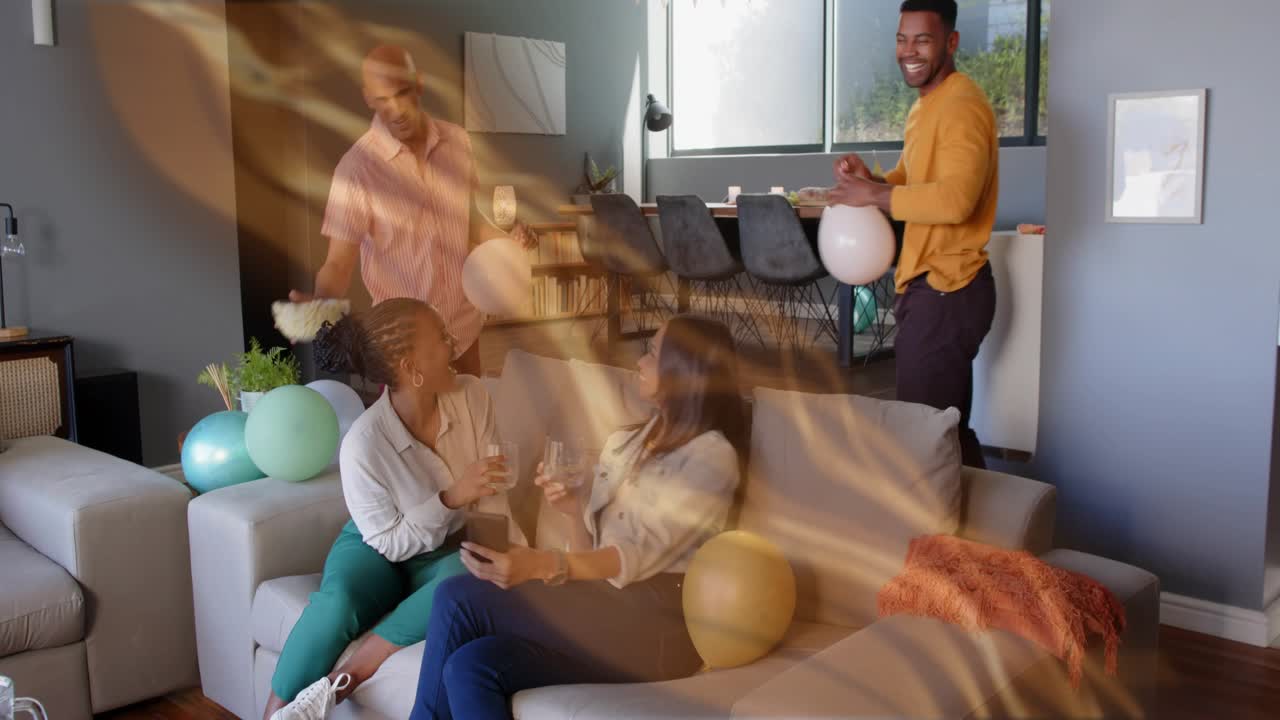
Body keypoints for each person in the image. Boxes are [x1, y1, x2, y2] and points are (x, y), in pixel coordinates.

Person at [408, 315, 748, 720]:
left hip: (656, 628)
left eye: (653, 353)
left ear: (684, 371)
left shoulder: (711, 457)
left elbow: (631, 557)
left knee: (458, 597)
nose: (640, 361)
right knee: (471, 666)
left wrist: (540, 564)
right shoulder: (628, 441)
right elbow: (596, 561)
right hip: (604, 608)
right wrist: (573, 511)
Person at [264, 298, 524, 720]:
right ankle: (275, 714)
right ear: (410, 366)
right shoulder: (364, 443)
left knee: (471, 572)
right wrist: (451, 496)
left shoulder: (473, 396)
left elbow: (493, 492)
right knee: (338, 603)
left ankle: (351, 671)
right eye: (439, 338)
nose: (452, 343)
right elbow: (388, 541)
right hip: (376, 545)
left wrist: (507, 550)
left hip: (447, 548)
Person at [289, 44, 537, 378]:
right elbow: (338, 262)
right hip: (405, 339)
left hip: (463, 327)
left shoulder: (458, 142)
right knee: (416, 430)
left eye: (402, 93)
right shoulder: (357, 170)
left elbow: (470, 223)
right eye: (382, 99)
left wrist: (507, 244)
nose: (396, 110)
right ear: (368, 99)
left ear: (419, 84)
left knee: (471, 423)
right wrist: (321, 300)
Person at [828, 0, 999, 468]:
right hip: (932, 287)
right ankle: (981, 536)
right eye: (902, 39)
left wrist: (875, 199)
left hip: (949, 288)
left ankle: (944, 536)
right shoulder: (926, 106)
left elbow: (956, 200)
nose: (909, 51)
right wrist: (875, 182)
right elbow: (915, 178)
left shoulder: (963, 105)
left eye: (922, 39)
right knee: (944, 432)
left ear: (951, 42)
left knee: (926, 439)